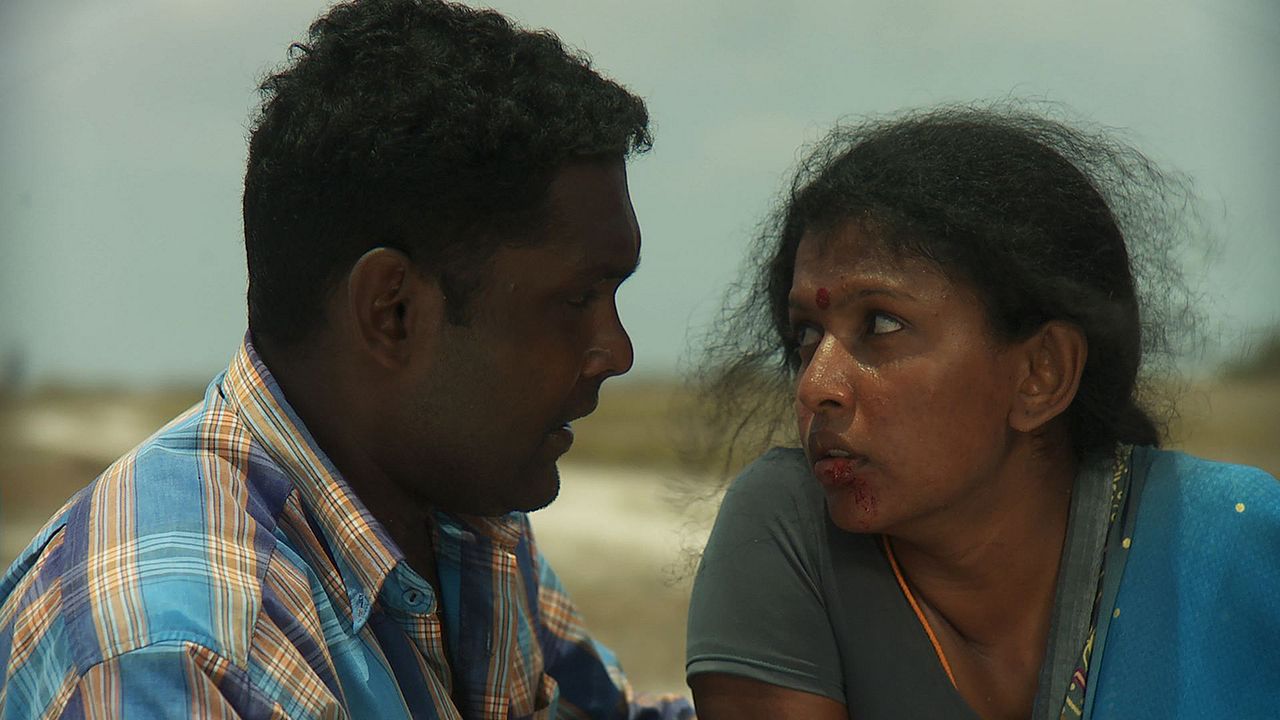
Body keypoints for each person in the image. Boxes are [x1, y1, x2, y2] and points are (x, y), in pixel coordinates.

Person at [0, 1, 693, 718]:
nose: (617, 352)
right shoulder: (182, 655)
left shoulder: (457, 513)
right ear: (392, 312)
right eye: (577, 299)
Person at [684, 105, 1280, 719]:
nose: (815, 386)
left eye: (881, 324)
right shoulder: (791, 529)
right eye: (807, 336)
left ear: (1041, 374)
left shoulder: (1229, 545)